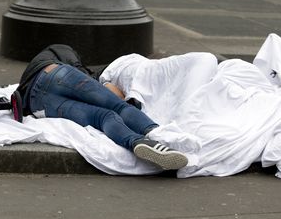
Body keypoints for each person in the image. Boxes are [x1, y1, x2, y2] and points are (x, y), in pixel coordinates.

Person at [16, 44, 188, 170]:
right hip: (56, 75)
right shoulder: (62, 48)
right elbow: (80, 73)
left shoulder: (29, 74)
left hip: (37, 103)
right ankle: (157, 133)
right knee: (118, 107)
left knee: (103, 117)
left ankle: (137, 142)